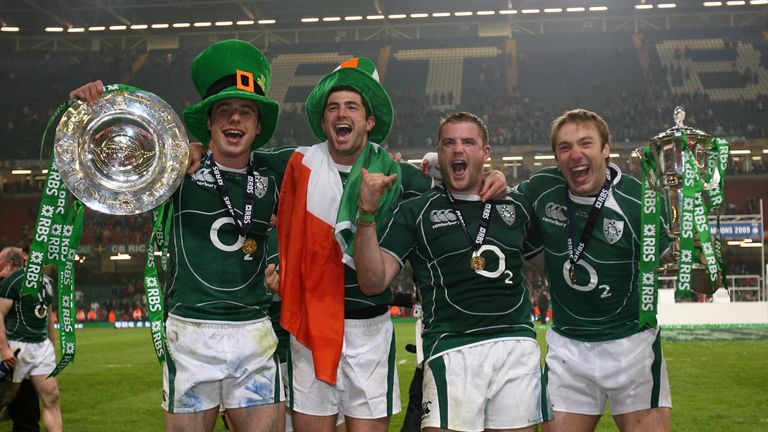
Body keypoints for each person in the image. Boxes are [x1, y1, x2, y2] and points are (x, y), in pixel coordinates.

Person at [69, 39, 285, 432]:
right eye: (225, 111)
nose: (234, 120)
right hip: (191, 332)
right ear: (209, 122)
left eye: (245, 113)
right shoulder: (174, 173)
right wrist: (89, 109)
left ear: (257, 126)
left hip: (254, 332)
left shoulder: (274, 178)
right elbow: (99, 174)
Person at [354, 112, 547, 432]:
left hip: (516, 345)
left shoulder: (517, 205)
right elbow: (373, 282)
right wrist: (366, 215)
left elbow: (555, 269)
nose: (458, 149)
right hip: (450, 348)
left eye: (468, 142)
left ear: (486, 153)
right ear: (439, 154)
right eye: (449, 143)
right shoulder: (415, 211)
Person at [516, 109, 672, 432]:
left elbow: (678, 266)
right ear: (556, 157)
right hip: (569, 349)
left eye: (585, 143)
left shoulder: (639, 203)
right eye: (565, 147)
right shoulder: (541, 190)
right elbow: (504, 212)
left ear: (605, 149)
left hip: (631, 346)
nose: (576, 155)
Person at [0, 247, 61, 432]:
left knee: (52, 397)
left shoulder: (48, 282)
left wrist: (52, 343)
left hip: (41, 346)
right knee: (6, 397)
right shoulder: (13, 281)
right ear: (25, 256)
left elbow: (48, 315)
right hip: (17, 345)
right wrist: (4, 349)